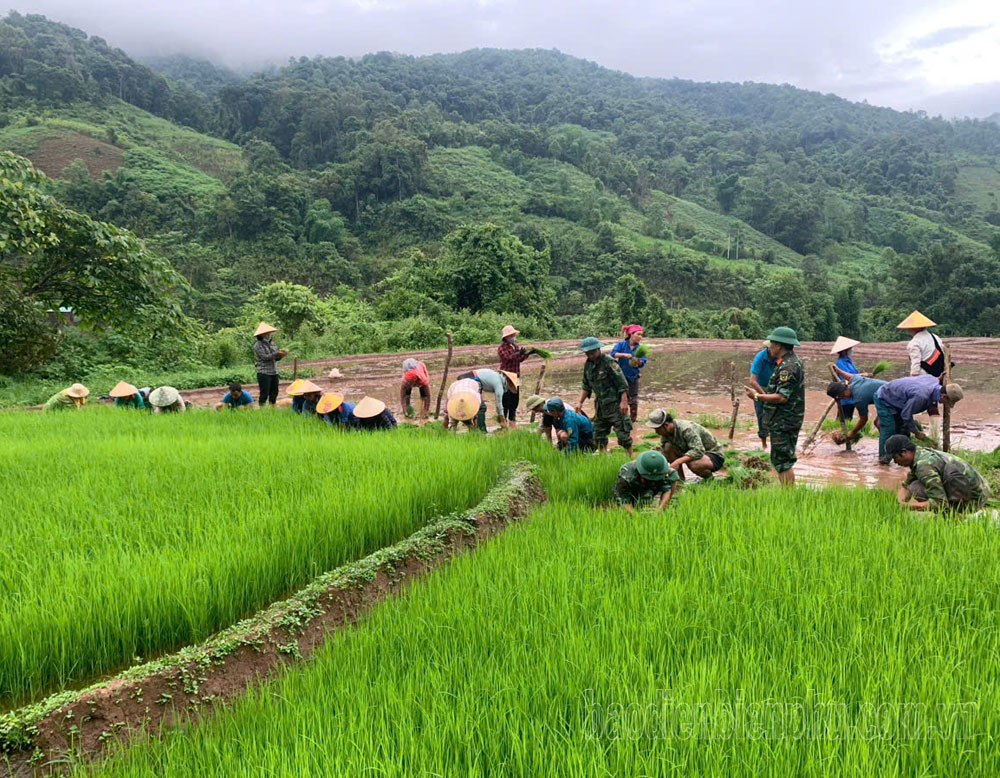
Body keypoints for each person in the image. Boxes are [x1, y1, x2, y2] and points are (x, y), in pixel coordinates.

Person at [744, 327, 805, 486]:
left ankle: (788, 496)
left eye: (771, 343)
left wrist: (757, 396)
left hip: (784, 419)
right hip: (783, 418)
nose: (769, 346)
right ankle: (788, 494)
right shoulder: (788, 362)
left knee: (783, 461)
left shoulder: (788, 367)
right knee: (781, 458)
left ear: (779, 346)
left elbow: (782, 397)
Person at [885, 435, 990, 512]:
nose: (895, 462)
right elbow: (907, 484)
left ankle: (954, 516)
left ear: (904, 452)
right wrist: (899, 503)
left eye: (895, 458)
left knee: (917, 489)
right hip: (977, 488)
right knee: (914, 485)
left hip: (975, 497)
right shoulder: (920, 453)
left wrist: (909, 506)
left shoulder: (924, 466)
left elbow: (939, 502)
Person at [872, 375, 963, 464]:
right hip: (884, 397)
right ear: (944, 397)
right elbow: (906, 415)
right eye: (947, 402)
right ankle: (883, 459)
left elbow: (906, 415)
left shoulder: (934, 381)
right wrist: (917, 432)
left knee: (902, 429)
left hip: (899, 401)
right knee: (889, 427)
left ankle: (901, 458)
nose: (944, 404)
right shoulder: (921, 396)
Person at [575, 337, 633, 455]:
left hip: (616, 406)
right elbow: (586, 385)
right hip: (601, 407)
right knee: (599, 436)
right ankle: (603, 457)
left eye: (592, 352)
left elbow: (622, 384)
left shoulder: (609, 362)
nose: (590, 355)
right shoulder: (588, 365)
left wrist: (624, 402)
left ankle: (630, 458)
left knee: (623, 436)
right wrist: (580, 402)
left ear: (598, 349)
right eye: (587, 353)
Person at [646, 409, 725, 480]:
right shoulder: (666, 434)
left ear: (666, 425)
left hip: (713, 455)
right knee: (668, 447)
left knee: (694, 464)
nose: (656, 432)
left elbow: (698, 451)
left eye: (657, 429)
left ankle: (709, 479)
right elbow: (664, 452)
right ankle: (680, 480)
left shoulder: (687, 429)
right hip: (691, 451)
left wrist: (677, 462)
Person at [825, 372, 887, 446]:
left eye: (842, 397)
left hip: (892, 397)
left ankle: (887, 445)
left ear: (843, 392)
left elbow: (863, 420)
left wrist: (852, 433)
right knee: (877, 422)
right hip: (888, 393)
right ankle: (885, 443)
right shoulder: (855, 380)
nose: (844, 399)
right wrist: (838, 370)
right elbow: (850, 376)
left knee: (880, 423)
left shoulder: (858, 398)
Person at [613, 451, 681, 514]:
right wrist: (636, 516)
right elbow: (623, 499)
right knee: (631, 507)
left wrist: (660, 510)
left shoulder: (663, 470)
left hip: (651, 486)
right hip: (634, 488)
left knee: (673, 476)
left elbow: (667, 489)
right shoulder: (627, 476)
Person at [497, 325, 539, 424]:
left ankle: (512, 420)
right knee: (506, 400)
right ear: (506, 337)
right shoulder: (502, 348)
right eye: (511, 335)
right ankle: (504, 422)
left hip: (516, 376)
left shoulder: (515, 347)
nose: (513, 337)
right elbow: (507, 358)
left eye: (513, 335)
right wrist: (519, 353)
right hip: (506, 377)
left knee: (514, 400)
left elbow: (519, 360)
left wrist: (527, 354)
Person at [610, 325, 646, 422]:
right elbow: (613, 354)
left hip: (633, 377)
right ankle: (619, 419)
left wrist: (638, 361)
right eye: (638, 334)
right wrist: (624, 355)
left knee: (633, 399)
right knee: (620, 398)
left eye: (641, 335)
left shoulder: (640, 349)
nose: (640, 337)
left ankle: (633, 420)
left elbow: (643, 363)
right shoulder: (621, 345)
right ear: (631, 334)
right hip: (620, 377)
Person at [898, 311, 945, 378]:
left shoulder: (914, 343)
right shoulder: (935, 337)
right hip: (940, 373)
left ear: (913, 329)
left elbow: (916, 363)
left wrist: (913, 378)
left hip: (925, 375)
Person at [749, 341, 777, 449]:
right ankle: (764, 444)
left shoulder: (779, 358)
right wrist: (764, 395)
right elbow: (752, 381)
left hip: (774, 387)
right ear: (769, 348)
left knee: (776, 417)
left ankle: (775, 444)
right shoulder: (760, 358)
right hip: (761, 388)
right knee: (762, 417)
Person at [829, 336, 865, 421]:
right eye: (850, 348)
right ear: (845, 350)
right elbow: (848, 377)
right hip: (845, 394)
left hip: (852, 393)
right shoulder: (840, 363)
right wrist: (863, 375)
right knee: (844, 416)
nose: (852, 350)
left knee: (848, 416)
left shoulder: (848, 360)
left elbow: (854, 374)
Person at [253, 322, 287, 406]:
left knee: (274, 392)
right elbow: (265, 357)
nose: (269, 335)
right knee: (264, 393)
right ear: (261, 335)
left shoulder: (272, 344)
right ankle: (262, 409)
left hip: (274, 371)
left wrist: (281, 355)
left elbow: (275, 358)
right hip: (264, 372)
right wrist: (276, 353)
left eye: (269, 333)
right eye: (266, 333)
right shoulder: (258, 345)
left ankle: (272, 407)